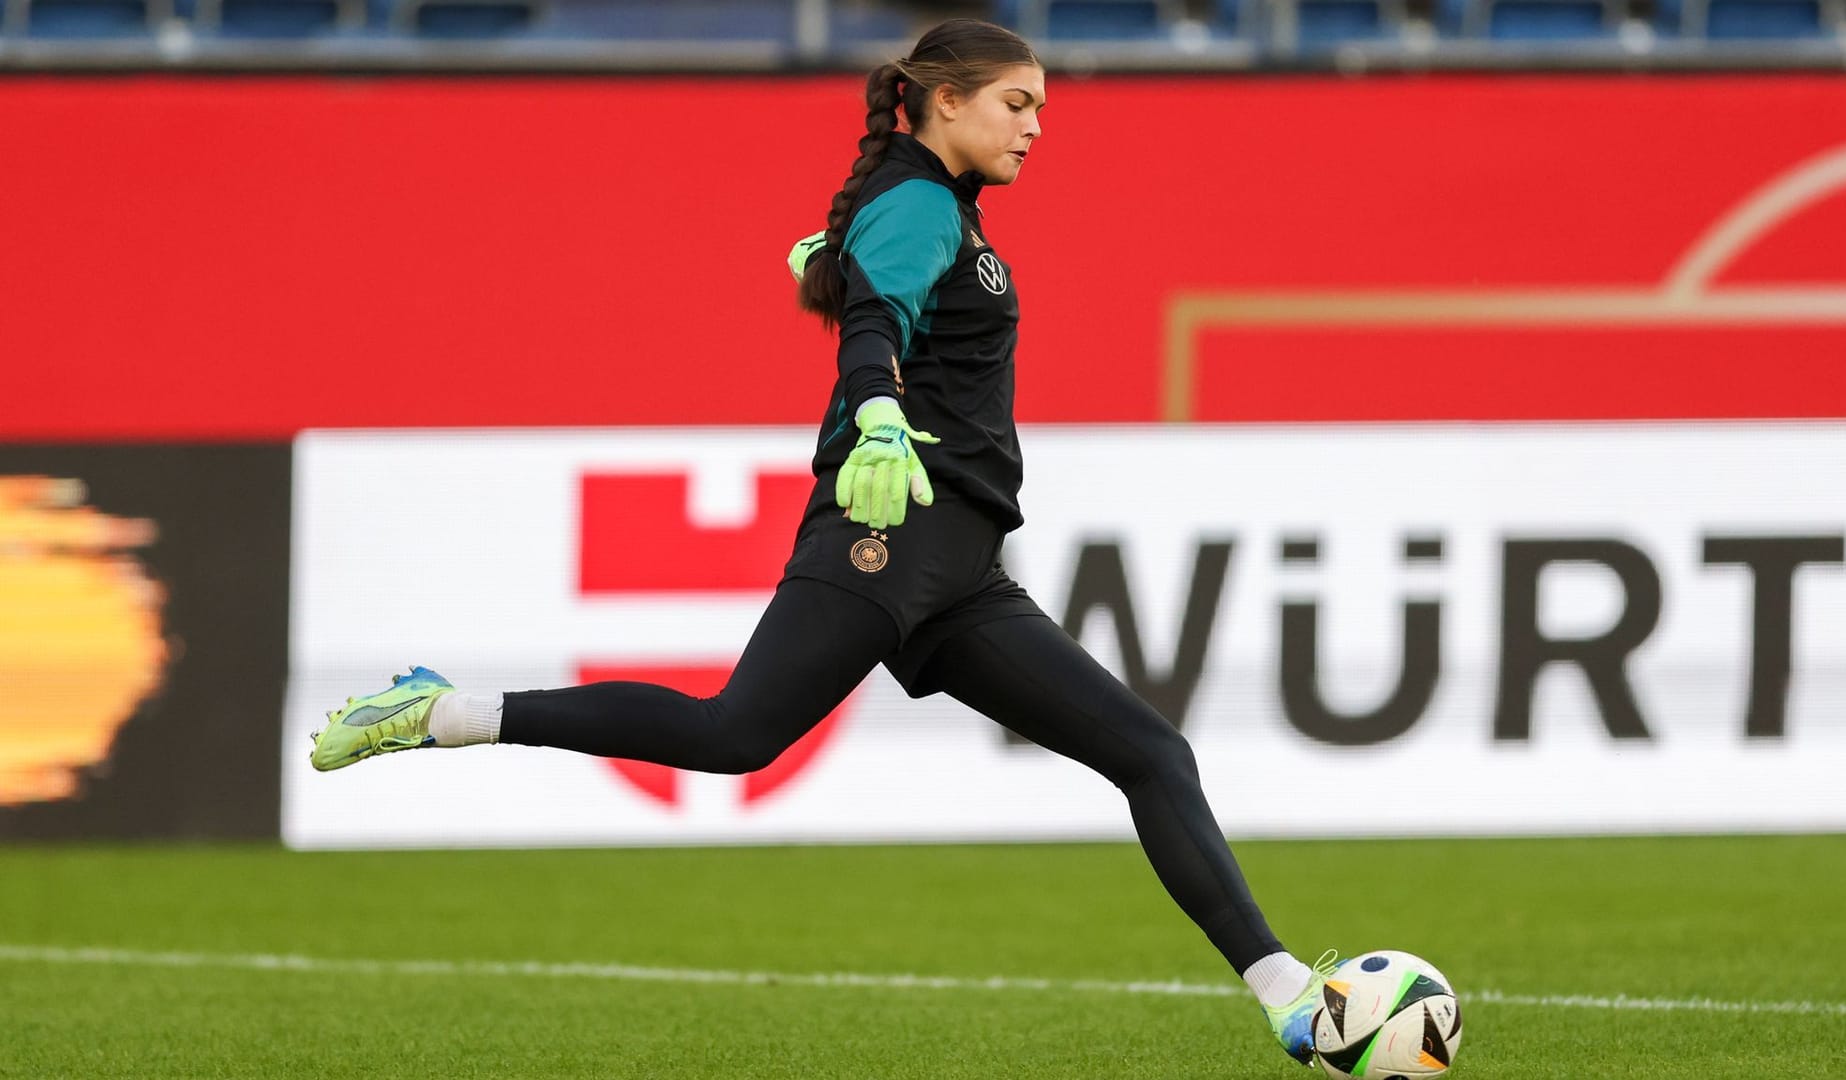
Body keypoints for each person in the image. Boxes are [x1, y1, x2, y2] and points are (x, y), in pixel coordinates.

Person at [309, 17, 1335, 1068]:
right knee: (733, 735)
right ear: (947, 100)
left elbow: (871, 290)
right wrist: (879, 414)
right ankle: (444, 712)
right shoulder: (919, 199)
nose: (1035, 129)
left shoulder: (936, 211)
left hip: (964, 569)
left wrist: (838, 268)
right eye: (1016, 104)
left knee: (1152, 755)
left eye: (1040, 110)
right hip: (893, 525)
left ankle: (1292, 999)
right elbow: (875, 327)